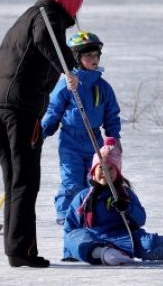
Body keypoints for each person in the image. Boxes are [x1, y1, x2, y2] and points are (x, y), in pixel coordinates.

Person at [0, 0, 83, 268]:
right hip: (22, 106)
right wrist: (69, 67)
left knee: (14, 179)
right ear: (69, 6)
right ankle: (23, 250)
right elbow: (45, 41)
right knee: (26, 180)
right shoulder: (47, 16)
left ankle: (16, 248)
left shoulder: (27, 15)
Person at [63, 137, 163, 265]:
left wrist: (127, 208)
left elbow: (141, 218)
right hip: (94, 238)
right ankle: (103, 254)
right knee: (74, 237)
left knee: (149, 242)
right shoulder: (83, 197)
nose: (105, 172)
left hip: (125, 236)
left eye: (110, 168)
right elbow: (71, 225)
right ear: (93, 171)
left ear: (118, 173)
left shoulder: (124, 193)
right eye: (101, 167)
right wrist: (69, 252)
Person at [41, 31, 121, 226]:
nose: (94, 59)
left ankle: (89, 212)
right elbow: (53, 110)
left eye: (96, 55)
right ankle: (65, 215)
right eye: (88, 56)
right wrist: (41, 132)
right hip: (71, 140)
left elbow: (112, 114)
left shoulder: (103, 87)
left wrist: (113, 139)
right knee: (72, 181)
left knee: (94, 180)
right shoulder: (67, 86)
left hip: (95, 140)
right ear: (76, 59)